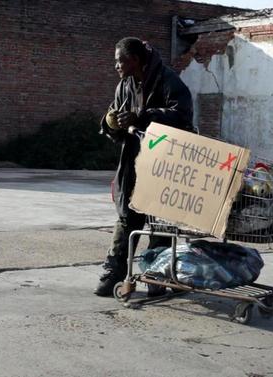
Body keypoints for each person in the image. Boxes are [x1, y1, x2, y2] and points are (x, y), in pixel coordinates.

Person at [94, 37, 194, 297]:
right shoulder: (123, 86)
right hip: (133, 163)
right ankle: (113, 273)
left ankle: (156, 277)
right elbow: (118, 124)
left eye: (120, 60)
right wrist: (110, 124)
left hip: (164, 163)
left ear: (135, 60)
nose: (116, 65)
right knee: (127, 218)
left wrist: (145, 116)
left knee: (159, 221)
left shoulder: (167, 80)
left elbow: (183, 115)